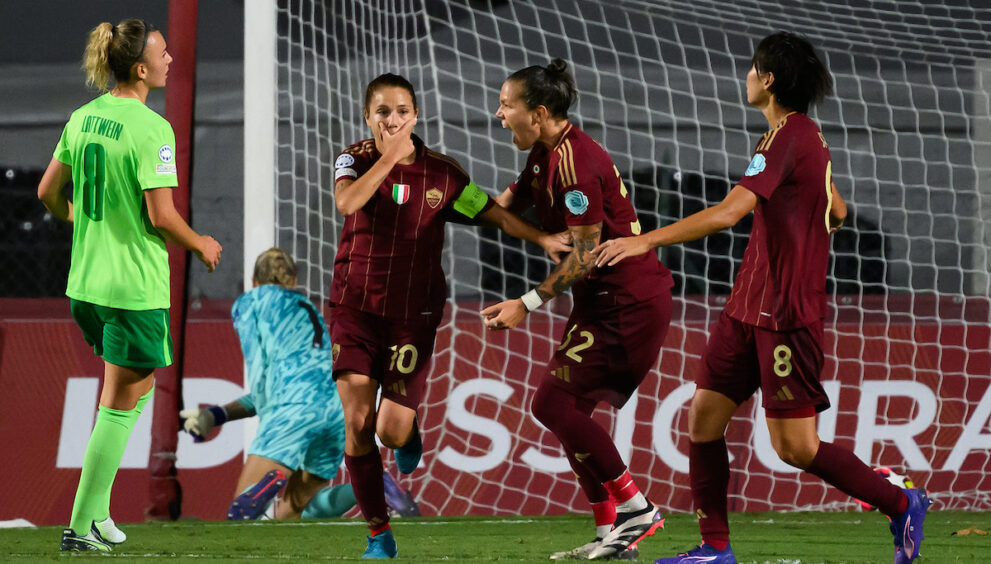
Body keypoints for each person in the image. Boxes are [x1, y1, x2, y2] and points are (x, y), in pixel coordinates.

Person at [595, 32, 930, 564]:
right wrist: (811, 224)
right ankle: (715, 548)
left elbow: (730, 212)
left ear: (768, 79)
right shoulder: (802, 137)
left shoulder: (786, 137)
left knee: (795, 448)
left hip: (785, 315)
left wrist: (642, 241)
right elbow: (837, 211)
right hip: (746, 309)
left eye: (752, 69)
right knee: (703, 419)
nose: (745, 76)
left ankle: (901, 501)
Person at [330, 73, 572, 559]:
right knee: (357, 423)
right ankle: (379, 533)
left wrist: (541, 238)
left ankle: (408, 430)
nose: (392, 120)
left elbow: (488, 211)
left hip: (412, 316)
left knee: (389, 431)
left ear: (416, 116)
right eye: (382, 111)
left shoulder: (442, 174)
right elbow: (347, 202)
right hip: (353, 309)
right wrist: (389, 160)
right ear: (367, 117)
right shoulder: (353, 159)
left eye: (401, 111)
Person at [37, 19, 222, 552]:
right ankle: (80, 525)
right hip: (132, 289)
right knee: (121, 404)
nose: (169, 61)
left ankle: (96, 513)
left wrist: (81, 220)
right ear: (140, 69)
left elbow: (48, 192)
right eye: (163, 54)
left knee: (127, 393)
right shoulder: (151, 129)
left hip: (85, 286)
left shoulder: (83, 117)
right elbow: (161, 216)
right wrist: (201, 243)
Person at [481, 59, 672, 560]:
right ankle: (612, 532)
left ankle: (636, 508)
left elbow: (586, 254)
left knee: (551, 405)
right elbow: (500, 207)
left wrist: (526, 303)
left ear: (539, 112)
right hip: (600, 302)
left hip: (627, 302)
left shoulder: (575, 165)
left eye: (507, 105)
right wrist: (440, 201)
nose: (498, 114)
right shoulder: (544, 155)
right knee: (568, 411)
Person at [179, 249, 419, 521]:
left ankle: (273, 480)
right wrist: (215, 415)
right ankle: (376, 485)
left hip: (292, 410)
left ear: (254, 281)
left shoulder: (250, 302)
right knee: (294, 513)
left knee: (240, 517)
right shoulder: (309, 309)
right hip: (337, 409)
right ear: (293, 282)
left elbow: (262, 382)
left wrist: (266, 421)